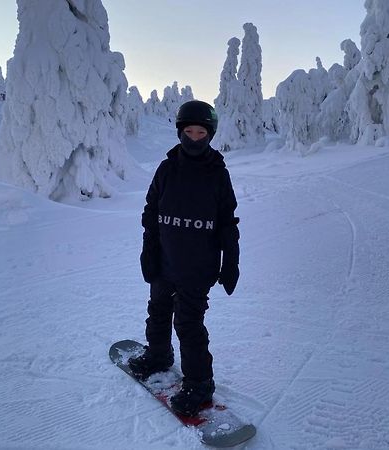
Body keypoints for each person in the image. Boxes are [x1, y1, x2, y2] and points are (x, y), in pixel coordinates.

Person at [128, 100, 240, 417]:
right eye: (188, 131)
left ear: (210, 134)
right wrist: (148, 252)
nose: (194, 138)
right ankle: (159, 355)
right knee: (158, 312)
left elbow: (227, 224)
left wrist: (231, 262)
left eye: (200, 131)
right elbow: (151, 215)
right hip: (165, 262)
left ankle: (200, 385)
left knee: (189, 325)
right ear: (180, 132)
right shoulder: (166, 170)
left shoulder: (217, 175)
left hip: (198, 267)